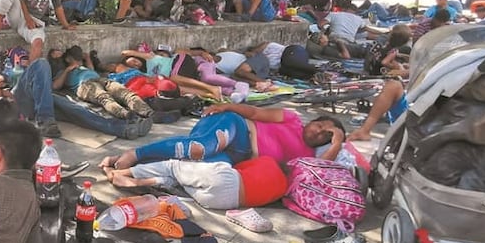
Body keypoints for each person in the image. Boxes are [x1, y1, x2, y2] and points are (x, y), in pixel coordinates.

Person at [104, 103, 345, 170]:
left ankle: (122, 165)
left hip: (237, 158)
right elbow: (255, 112)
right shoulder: (291, 118)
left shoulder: (308, 158)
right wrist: (226, 106)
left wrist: (337, 141)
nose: (319, 131)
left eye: (325, 135)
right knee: (200, 148)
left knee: (188, 169)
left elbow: (323, 170)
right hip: (235, 127)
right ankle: (133, 153)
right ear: (311, 121)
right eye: (319, 125)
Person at [104, 155, 287, 211]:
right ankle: (143, 181)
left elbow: (239, 166)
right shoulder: (282, 190)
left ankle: (121, 173)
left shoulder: (269, 161)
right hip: (224, 203)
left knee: (172, 166)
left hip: (229, 180)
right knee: (177, 184)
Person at [51, 45, 153, 121]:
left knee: (124, 92)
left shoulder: (82, 66)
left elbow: (92, 70)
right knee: (104, 97)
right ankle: (126, 115)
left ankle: (147, 112)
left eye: (59, 52)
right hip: (85, 85)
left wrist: (87, 59)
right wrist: (67, 70)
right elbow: (55, 86)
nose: (59, 53)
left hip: (99, 79)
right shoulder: (63, 71)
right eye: (55, 54)